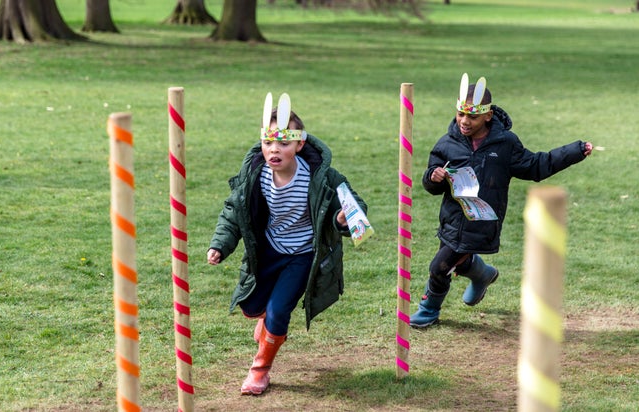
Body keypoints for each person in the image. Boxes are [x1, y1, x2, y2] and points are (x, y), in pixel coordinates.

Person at [207, 92, 368, 395]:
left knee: (279, 310)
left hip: (302, 255)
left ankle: (259, 370)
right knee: (255, 306)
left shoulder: (320, 178)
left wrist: (342, 219)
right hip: (267, 251)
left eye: (283, 143)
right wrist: (220, 245)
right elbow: (233, 210)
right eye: (268, 143)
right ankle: (268, 325)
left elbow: (354, 206)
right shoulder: (255, 175)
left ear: (299, 145)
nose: (274, 150)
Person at [411, 73, 593, 328]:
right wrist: (434, 176)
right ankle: (482, 274)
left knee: (440, 266)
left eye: (472, 116)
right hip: (452, 219)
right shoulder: (447, 143)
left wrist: (574, 151)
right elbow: (430, 183)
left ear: (488, 115)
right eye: (460, 114)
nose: (464, 121)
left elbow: (536, 166)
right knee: (456, 262)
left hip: (484, 221)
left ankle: (428, 309)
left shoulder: (505, 143)